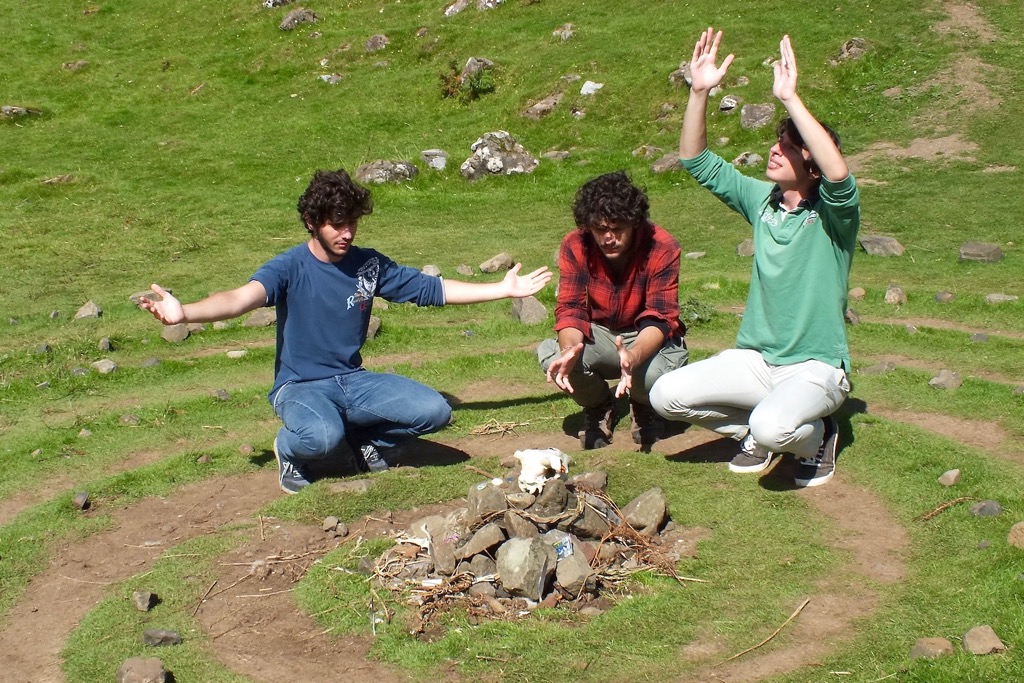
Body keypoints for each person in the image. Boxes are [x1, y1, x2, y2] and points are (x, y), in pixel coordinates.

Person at [139, 168, 552, 494]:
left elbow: (431, 289)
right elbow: (238, 299)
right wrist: (185, 313)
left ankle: (364, 443)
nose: (348, 233)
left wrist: (501, 289)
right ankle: (290, 449)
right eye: (338, 224)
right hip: (299, 386)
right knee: (320, 438)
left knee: (436, 411)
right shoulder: (289, 267)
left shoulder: (368, 265)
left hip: (353, 382)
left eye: (352, 222)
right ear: (311, 221)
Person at [650, 29, 860, 488]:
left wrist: (789, 99)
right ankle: (761, 432)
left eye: (786, 145)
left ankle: (816, 437)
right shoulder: (761, 201)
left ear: (810, 159)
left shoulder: (834, 216)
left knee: (774, 425)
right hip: (754, 361)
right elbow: (696, 160)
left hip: (815, 367)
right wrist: (699, 91)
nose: (773, 149)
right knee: (664, 394)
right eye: (776, 141)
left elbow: (839, 174)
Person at [538, 171, 688, 451]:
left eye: (617, 228)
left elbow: (660, 316)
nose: (608, 238)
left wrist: (633, 356)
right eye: (599, 229)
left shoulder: (662, 246)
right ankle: (599, 404)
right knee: (554, 358)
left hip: (650, 336)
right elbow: (570, 308)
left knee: (655, 377)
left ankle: (643, 404)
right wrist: (570, 349)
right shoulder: (575, 244)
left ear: (634, 222)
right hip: (603, 334)